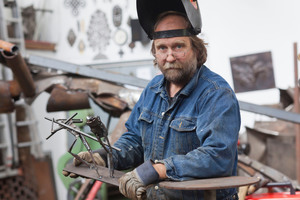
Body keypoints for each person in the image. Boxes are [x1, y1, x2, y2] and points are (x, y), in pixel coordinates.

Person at [64, 0, 241, 199]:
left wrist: (156, 170)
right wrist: (104, 156)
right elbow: (135, 140)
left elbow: (217, 156)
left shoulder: (216, 94)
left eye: (178, 46)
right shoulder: (152, 90)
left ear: (197, 51)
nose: (170, 57)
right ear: (155, 53)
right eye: (162, 48)